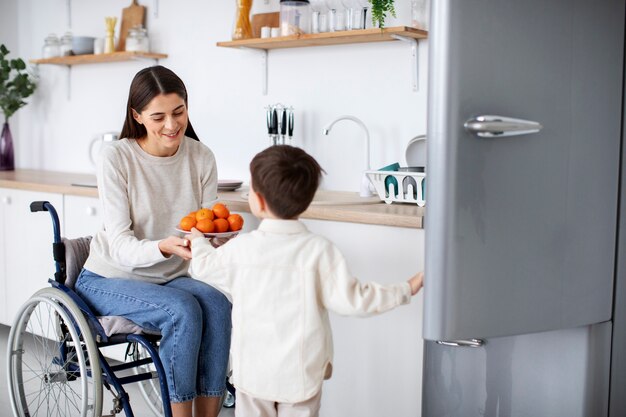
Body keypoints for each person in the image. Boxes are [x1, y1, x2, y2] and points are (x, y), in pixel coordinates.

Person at [187, 145, 424, 417]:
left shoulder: (242, 249)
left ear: (259, 202)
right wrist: (407, 287)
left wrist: (197, 240)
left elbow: (203, 267)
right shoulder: (319, 251)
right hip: (300, 377)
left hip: (253, 376)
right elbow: (357, 300)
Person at [75, 65, 232, 417]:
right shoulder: (117, 157)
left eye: (179, 112)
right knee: (182, 311)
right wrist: (163, 246)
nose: (172, 125)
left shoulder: (201, 156)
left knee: (219, 304)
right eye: (158, 116)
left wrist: (210, 242)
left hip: (172, 276)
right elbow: (118, 244)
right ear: (137, 116)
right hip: (109, 278)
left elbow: (206, 226)